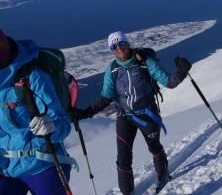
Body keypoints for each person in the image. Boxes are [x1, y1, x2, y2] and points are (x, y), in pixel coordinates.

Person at [71, 31, 192, 195]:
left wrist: (182, 71)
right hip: (125, 117)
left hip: (148, 115)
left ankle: (163, 176)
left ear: (127, 43)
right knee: (123, 160)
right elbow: (106, 96)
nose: (119, 48)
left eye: (121, 43)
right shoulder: (112, 69)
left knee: (155, 148)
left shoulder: (145, 62)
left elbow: (168, 82)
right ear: (111, 49)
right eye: (114, 46)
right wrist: (86, 113)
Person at [0, 29, 73, 195]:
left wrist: (51, 126)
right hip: (6, 167)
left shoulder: (31, 77)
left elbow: (62, 121)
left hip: (42, 163)